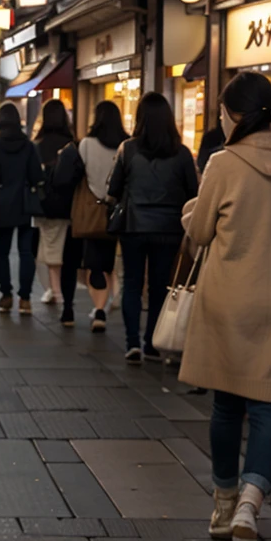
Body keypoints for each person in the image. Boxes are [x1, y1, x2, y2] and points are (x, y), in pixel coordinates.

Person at [180, 72, 271, 541]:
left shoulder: (223, 165)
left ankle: (224, 501)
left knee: (226, 404)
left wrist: (191, 210)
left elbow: (200, 232)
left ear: (234, 115)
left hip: (227, 301)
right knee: (267, 407)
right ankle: (251, 502)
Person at [107, 92, 198, 363]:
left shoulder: (128, 148)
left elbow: (113, 188)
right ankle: (153, 344)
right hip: (169, 228)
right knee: (160, 286)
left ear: (140, 118)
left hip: (134, 225)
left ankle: (132, 343)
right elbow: (193, 192)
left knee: (132, 284)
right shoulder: (181, 153)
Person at [0, 102, 43, 315]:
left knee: (1, 252)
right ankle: (25, 298)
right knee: (26, 252)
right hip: (25, 204)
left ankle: (6, 294)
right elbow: (37, 175)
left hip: (1, 205)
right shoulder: (28, 146)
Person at [78, 100, 127, 332]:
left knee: (94, 263)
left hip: (91, 210)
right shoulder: (126, 145)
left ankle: (99, 308)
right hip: (118, 210)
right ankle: (107, 301)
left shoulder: (86, 144)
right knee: (109, 261)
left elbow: (79, 173)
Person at [33, 99, 82, 327]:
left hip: (44, 205)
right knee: (66, 251)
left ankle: (56, 291)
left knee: (50, 246)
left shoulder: (38, 144)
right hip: (69, 205)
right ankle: (60, 293)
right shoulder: (72, 144)